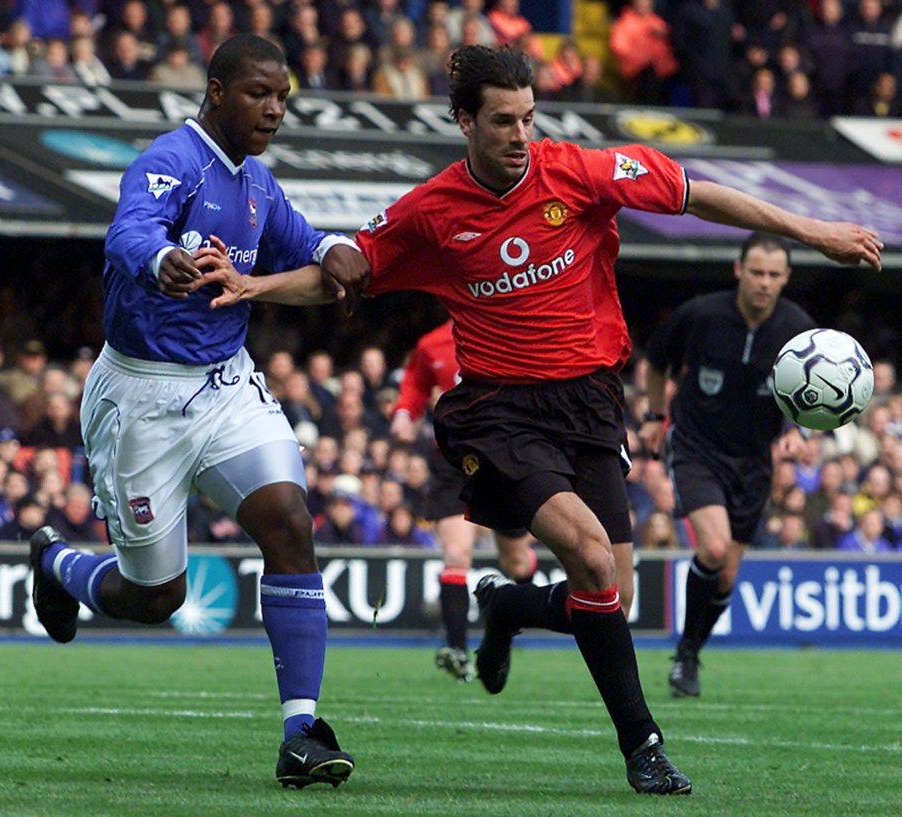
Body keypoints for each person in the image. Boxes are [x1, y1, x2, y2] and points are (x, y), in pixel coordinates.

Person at [194, 44, 881, 796]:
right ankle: (644, 746)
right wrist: (252, 283)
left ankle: (508, 604)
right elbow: (342, 273)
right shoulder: (430, 212)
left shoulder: (580, 173)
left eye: (528, 118)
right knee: (589, 556)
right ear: (463, 121)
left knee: (610, 589)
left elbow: (701, 194)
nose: (520, 135)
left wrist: (812, 232)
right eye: (501, 121)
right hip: (499, 413)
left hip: (590, 404)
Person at [25, 34, 364, 791]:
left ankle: (301, 730)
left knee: (289, 517)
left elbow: (304, 239)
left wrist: (338, 245)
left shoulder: (256, 185)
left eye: (282, 97)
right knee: (156, 597)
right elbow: (128, 234)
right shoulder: (170, 163)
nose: (274, 108)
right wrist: (159, 259)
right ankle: (55, 564)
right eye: (258, 94)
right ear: (216, 91)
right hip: (140, 398)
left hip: (223, 386)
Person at [639, 232, 821, 699]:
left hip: (754, 458)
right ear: (738, 270)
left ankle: (689, 651)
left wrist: (802, 433)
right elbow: (656, 364)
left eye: (773, 275)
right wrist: (655, 417)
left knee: (727, 574)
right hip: (697, 447)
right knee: (714, 548)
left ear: (786, 278)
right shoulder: (700, 315)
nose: (763, 282)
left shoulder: (799, 328)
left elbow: (813, 392)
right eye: (756, 272)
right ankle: (685, 653)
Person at [390, 318, 537, 683]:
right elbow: (415, 385)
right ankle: (456, 648)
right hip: (453, 459)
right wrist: (405, 414)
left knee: (517, 562)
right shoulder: (431, 344)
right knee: (456, 555)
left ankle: (504, 627)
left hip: (503, 456)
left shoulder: (506, 329)